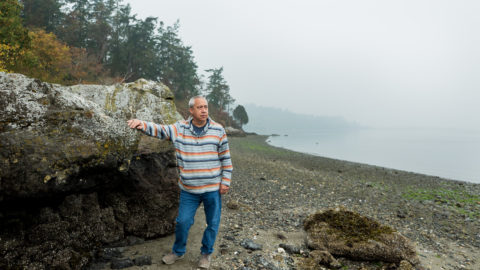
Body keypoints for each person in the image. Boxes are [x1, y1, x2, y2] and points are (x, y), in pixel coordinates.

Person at [126, 96, 232, 269]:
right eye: (200, 107)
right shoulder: (179, 128)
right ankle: (178, 251)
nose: (204, 110)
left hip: (212, 188)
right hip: (189, 190)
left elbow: (226, 158)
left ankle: (206, 253)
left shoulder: (218, 130)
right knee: (182, 222)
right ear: (191, 110)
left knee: (212, 223)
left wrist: (225, 181)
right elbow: (160, 130)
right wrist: (142, 124)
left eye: (206, 107)